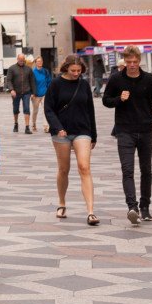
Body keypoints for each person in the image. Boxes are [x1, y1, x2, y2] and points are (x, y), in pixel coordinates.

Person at [101, 47, 152, 225]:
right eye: (128, 62)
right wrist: (119, 99)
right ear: (124, 61)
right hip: (124, 130)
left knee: (146, 170)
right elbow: (106, 100)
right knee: (128, 170)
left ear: (139, 61)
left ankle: (145, 206)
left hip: (146, 130)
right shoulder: (117, 78)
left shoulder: (148, 79)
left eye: (134, 62)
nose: (131, 65)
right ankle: (132, 207)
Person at [44, 54, 99, 225]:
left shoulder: (83, 85)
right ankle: (62, 203)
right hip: (62, 132)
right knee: (63, 169)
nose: (76, 74)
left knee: (84, 167)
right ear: (66, 68)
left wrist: (94, 135)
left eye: (79, 71)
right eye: (73, 70)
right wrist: (58, 127)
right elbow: (49, 109)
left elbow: (90, 110)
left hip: (82, 130)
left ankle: (90, 211)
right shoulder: (56, 84)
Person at [4, 54, 35, 134]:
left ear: (24, 60)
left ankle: (27, 127)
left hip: (26, 92)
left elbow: (32, 81)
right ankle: (16, 124)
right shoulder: (12, 68)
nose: (21, 61)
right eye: (20, 60)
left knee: (27, 109)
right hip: (15, 92)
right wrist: (11, 90)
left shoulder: (28, 69)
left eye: (23, 60)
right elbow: (9, 80)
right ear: (17, 59)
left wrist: (33, 93)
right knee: (15, 109)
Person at [31, 56, 51, 134]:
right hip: (35, 95)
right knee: (35, 111)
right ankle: (34, 124)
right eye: (38, 61)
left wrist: (49, 91)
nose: (40, 63)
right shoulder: (33, 72)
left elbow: (49, 81)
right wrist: (32, 93)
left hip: (45, 94)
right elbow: (31, 83)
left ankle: (46, 127)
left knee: (45, 110)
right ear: (35, 63)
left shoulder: (45, 71)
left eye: (41, 61)